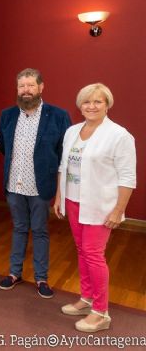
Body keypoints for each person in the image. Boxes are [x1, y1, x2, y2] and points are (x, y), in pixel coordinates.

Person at [54, 83, 136, 333]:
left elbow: (127, 177)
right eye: (87, 102)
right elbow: (63, 167)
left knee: (93, 254)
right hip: (74, 201)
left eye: (97, 101)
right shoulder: (72, 131)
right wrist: (59, 197)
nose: (91, 106)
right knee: (81, 250)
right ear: (80, 105)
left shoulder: (119, 135)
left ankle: (101, 313)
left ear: (107, 105)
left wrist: (117, 210)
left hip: (100, 205)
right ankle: (87, 298)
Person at [0, 69, 71, 298]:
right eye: (22, 86)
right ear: (17, 89)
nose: (26, 90)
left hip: (40, 186)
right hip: (14, 186)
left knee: (39, 231)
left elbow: (63, 153)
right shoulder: (7, 115)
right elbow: (3, 147)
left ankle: (41, 278)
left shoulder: (59, 116)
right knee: (19, 228)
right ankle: (14, 273)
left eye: (30, 85)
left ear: (41, 87)